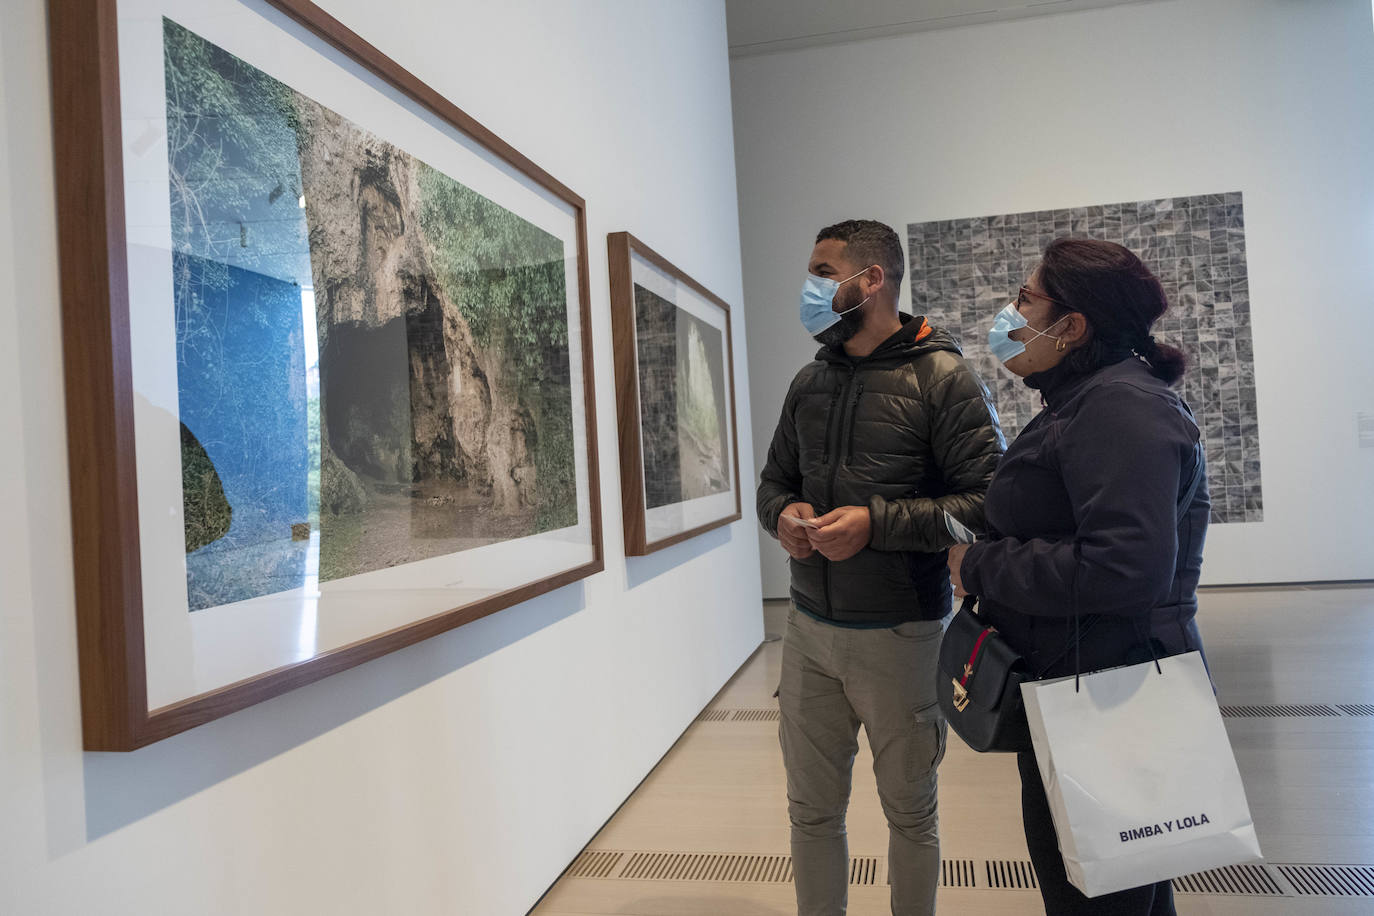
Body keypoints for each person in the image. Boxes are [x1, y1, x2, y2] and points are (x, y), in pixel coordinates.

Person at [948, 237, 1209, 916]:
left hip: (1108, 697)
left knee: (1098, 896)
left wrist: (979, 564)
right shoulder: (1089, 399)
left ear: (1072, 326)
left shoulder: (1119, 407)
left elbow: (1124, 566)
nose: (1008, 313)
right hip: (1083, 682)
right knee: (1121, 889)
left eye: (1025, 299)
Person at [758, 219, 1004, 916]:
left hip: (902, 634)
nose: (808, 289)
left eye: (821, 272)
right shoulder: (809, 381)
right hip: (809, 632)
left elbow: (984, 507)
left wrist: (876, 524)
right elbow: (771, 482)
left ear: (871, 281)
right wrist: (782, 512)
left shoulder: (943, 378)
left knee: (910, 816)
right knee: (810, 813)